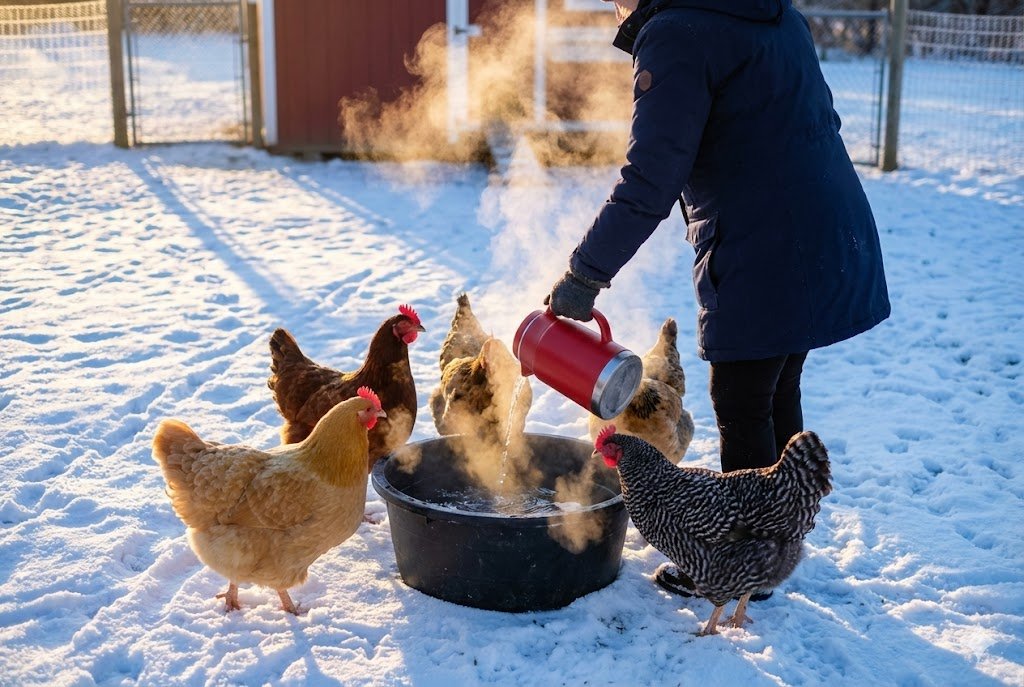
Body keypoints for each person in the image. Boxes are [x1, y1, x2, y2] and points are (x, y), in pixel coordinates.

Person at [545, 0, 890, 598]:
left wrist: (585, 274)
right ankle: (781, 539)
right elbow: (813, 119)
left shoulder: (676, 33)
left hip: (764, 239)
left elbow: (651, 177)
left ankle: (744, 567)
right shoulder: (773, 11)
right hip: (823, 218)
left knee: (741, 395)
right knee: (775, 383)